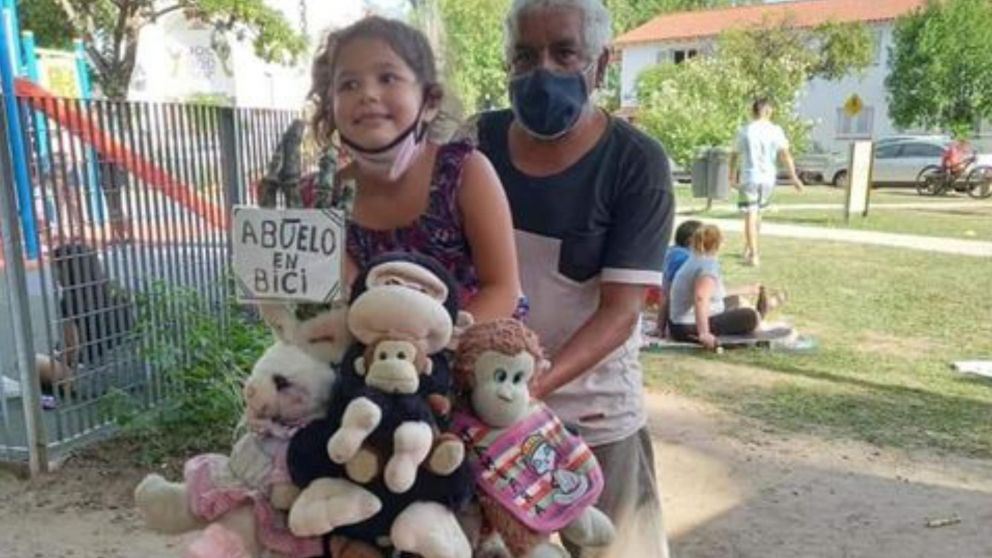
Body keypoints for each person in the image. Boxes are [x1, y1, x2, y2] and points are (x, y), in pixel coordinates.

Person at [461, 1, 674, 556]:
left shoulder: (636, 164)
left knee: (613, 545)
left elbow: (620, 312)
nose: (542, 71)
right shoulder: (472, 145)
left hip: (596, 415)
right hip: (488, 415)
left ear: (600, 66)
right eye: (525, 56)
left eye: (564, 52)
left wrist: (534, 387)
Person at [303, 16, 522, 321]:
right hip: (367, 355)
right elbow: (332, 303)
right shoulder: (321, 200)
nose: (367, 94)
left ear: (430, 101)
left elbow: (502, 290)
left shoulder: (464, 173)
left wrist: (440, 352)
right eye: (349, 84)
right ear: (330, 106)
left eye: (387, 78)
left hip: (469, 344)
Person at [729, 98, 803, 267]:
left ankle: (754, 254)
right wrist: (794, 177)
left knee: (750, 214)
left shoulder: (745, 130)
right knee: (758, 213)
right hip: (768, 178)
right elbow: (785, 154)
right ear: (768, 111)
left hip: (750, 177)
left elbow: (734, 154)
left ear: (753, 111)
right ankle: (749, 249)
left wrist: (731, 177)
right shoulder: (776, 131)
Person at [667, 225, 765, 350]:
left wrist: (747, 289)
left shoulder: (695, 259)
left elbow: (712, 293)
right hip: (687, 326)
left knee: (736, 300)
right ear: (718, 243)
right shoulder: (707, 266)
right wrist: (704, 333)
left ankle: (759, 312)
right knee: (750, 316)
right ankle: (759, 315)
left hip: (677, 323)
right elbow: (701, 298)